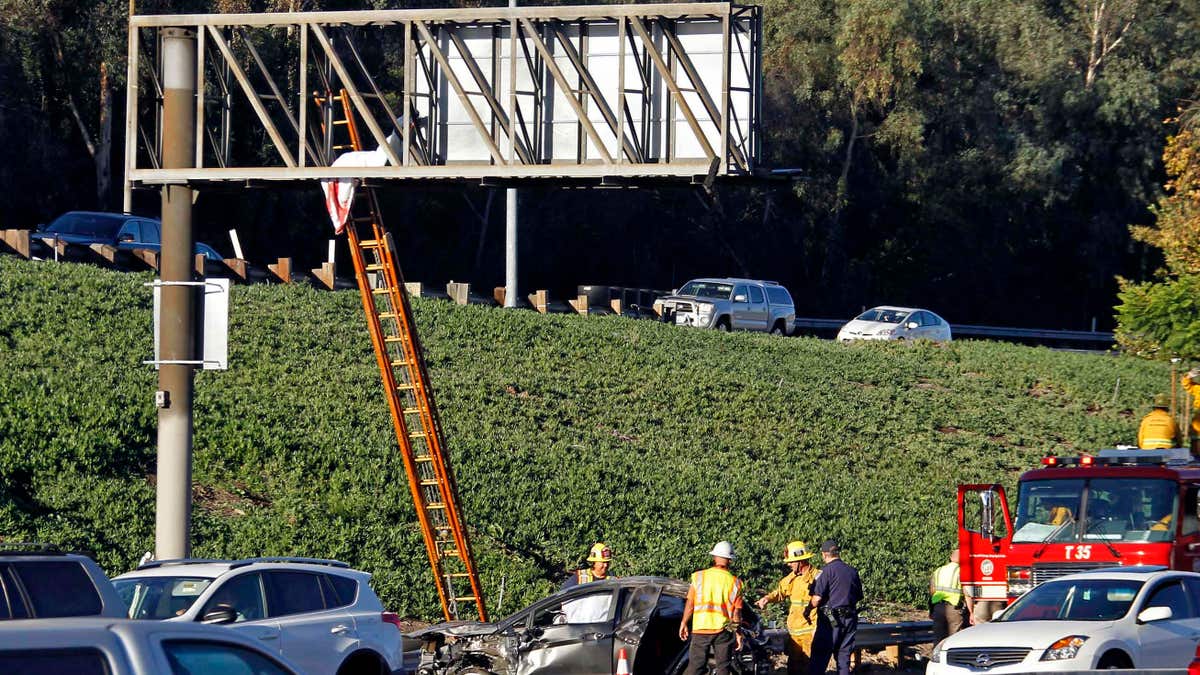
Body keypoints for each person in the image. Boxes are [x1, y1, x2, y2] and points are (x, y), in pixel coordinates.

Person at [756, 541, 819, 675]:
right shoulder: (791, 578)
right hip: (795, 632)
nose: (788, 564)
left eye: (791, 561)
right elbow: (780, 592)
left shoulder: (818, 577)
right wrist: (767, 598)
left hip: (810, 632)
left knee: (810, 668)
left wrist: (817, 629)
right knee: (794, 668)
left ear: (801, 561)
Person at [680, 541, 744, 675]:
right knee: (723, 668)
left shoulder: (699, 577)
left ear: (714, 557)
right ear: (730, 560)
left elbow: (690, 603)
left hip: (700, 628)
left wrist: (684, 622)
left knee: (695, 667)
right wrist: (737, 633)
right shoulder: (735, 583)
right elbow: (736, 614)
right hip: (724, 631)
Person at [805, 540, 862, 675]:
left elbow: (816, 599)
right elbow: (858, 596)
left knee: (820, 656)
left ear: (824, 554)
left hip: (831, 619)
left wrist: (807, 610)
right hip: (850, 619)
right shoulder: (852, 571)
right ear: (837, 552)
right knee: (844, 657)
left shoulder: (824, 572)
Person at [929, 550, 968, 648]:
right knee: (955, 639)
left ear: (950, 557)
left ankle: (937, 660)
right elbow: (967, 592)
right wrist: (971, 611)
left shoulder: (938, 570)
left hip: (938, 607)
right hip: (954, 608)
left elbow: (932, 591)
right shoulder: (962, 571)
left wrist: (931, 610)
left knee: (938, 638)